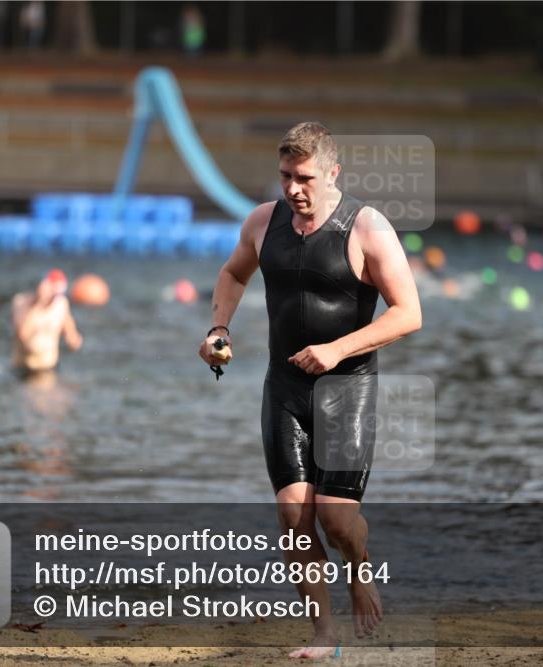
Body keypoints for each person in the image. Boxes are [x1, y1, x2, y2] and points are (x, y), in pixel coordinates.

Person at [198, 122, 422, 658]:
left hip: (347, 389)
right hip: (285, 387)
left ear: (332, 174)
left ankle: (359, 566)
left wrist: (337, 350)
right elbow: (232, 274)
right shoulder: (264, 221)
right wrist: (219, 330)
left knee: (337, 520)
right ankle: (324, 634)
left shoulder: (367, 227)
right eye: (285, 177)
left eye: (305, 178)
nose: (294, 189)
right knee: (294, 519)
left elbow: (410, 314)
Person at [12, 269, 82, 377]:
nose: (54, 298)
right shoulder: (22, 302)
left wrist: (73, 340)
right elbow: (23, 335)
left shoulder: (61, 304)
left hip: (48, 366)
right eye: (52, 293)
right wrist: (39, 304)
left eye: (57, 294)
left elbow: (71, 333)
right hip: (25, 368)